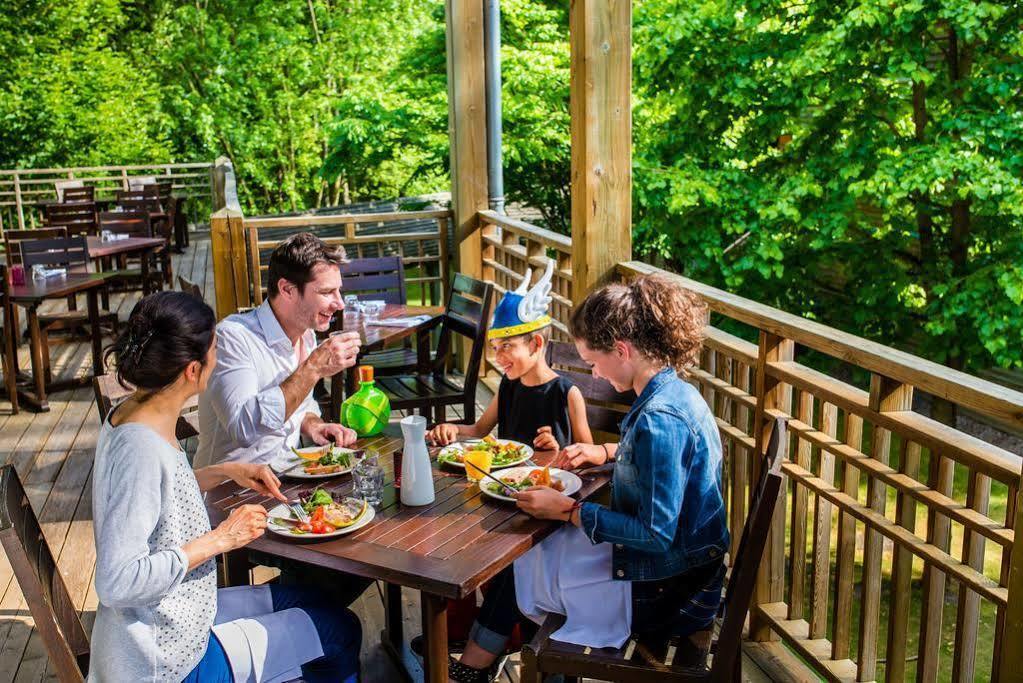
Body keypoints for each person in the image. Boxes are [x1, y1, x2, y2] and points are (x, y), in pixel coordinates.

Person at [446, 274, 730, 683]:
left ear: (622, 349)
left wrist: (572, 512)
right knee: (534, 555)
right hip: (687, 569)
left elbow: (655, 535)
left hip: (672, 592)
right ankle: (500, 662)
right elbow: (663, 466)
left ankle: (508, 663)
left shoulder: (658, 419)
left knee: (527, 559)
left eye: (594, 362)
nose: (594, 375)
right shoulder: (673, 393)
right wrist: (604, 452)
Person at [90, 291, 361, 683]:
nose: (219, 358)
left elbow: (154, 495)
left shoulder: (132, 413)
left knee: (315, 600)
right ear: (192, 371)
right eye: (215, 349)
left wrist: (223, 471)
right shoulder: (142, 450)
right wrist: (222, 539)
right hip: (166, 658)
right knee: (341, 630)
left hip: (178, 612)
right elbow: (117, 582)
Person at [421, 259, 594, 653]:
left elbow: (586, 459)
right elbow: (479, 432)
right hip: (500, 497)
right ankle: (478, 636)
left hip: (545, 513)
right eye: (496, 348)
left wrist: (556, 450)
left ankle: (486, 645)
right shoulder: (509, 386)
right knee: (456, 540)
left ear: (535, 344)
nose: (499, 357)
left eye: (508, 348)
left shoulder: (566, 394)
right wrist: (451, 429)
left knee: (502, 566)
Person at [194, 232, 362, 470]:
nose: (340, 303)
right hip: (230, 495)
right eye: (326, 292)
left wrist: (314, 425)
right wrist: (313, 368)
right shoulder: (232, 337)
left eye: (338, 291)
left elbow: (299, 406)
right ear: (287, 289)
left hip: (288, 480)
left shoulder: (306, 334)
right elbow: (244, 428)